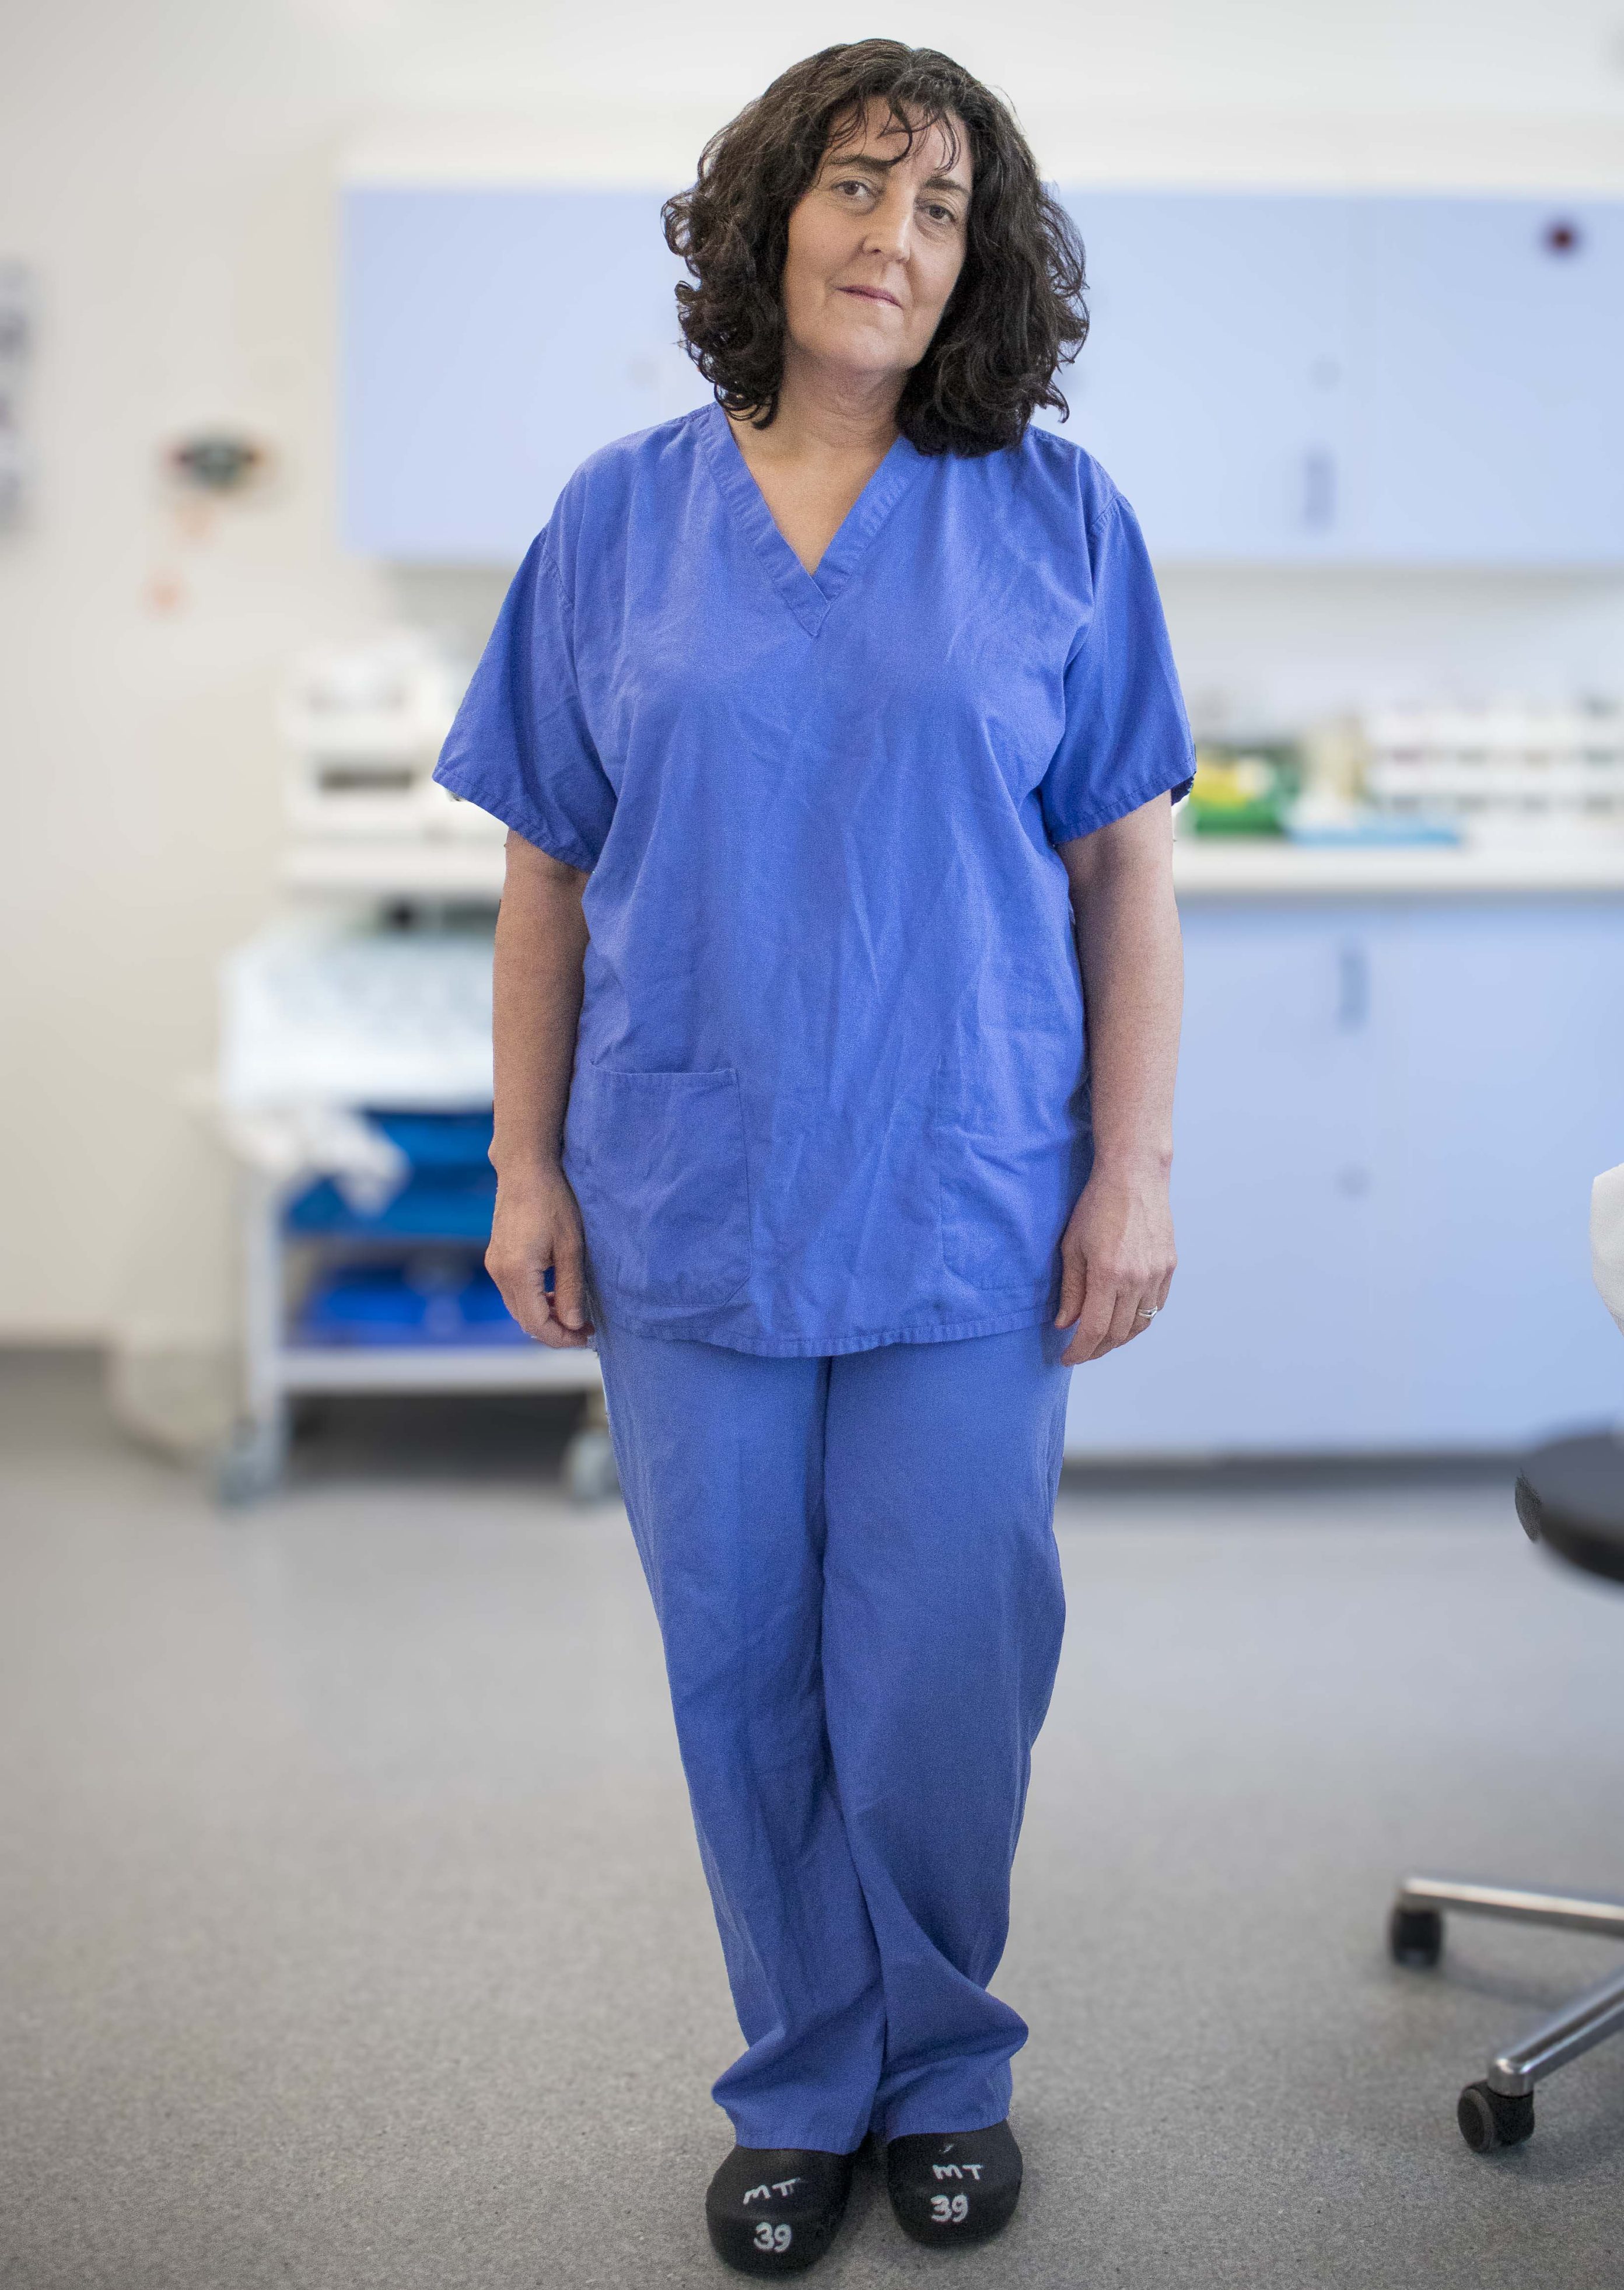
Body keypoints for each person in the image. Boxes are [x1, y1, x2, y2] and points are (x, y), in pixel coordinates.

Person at [434, 39, 1190, 2277]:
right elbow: (546, 881)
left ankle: (947, 2069)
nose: (898, 239)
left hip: (968, 1192)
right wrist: (520, 1167)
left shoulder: (1058, 517)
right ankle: (804, 2079)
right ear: (773, 216)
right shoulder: (617, 519)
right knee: (742, 1665)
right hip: (689, 1195)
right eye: (862, 186)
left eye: (946, 210)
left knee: (944, 1664)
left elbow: (1131, 878)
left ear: (984, 266)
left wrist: (1129, 1170)